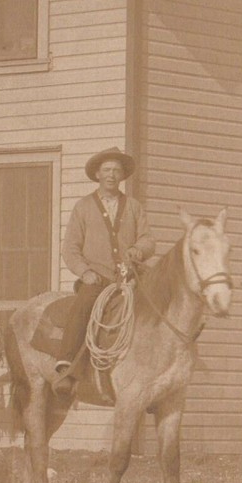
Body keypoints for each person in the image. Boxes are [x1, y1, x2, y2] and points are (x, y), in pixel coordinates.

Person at [52, 146, 156, 397]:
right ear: (98, 174)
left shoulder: (133, 206)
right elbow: (70, 249)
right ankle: (67, 365)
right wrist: (85, 272)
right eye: (107, 170)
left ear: (122, 177)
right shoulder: (83, 207)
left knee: (156, 304)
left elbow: (147, 239)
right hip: (98, 278)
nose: (112, 175)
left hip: (129, 278)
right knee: (84, 305)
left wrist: (138, 251)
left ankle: (154, 370)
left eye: (116, 171)